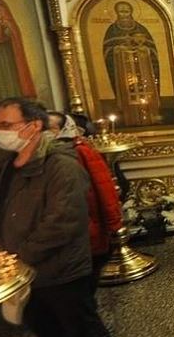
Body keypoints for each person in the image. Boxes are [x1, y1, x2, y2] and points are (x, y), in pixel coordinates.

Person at [0, 98, 124, 337]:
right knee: (43, 324)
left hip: (61, 266)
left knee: (84, 325)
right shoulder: (4, 164)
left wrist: (18, 255)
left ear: (32, 126)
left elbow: (64, 221)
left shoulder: (60, 165)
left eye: (5, 125)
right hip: (21, 270)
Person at [47, 112, 123, 274]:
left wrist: (113, 223)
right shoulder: (43, 154)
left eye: (49, 128)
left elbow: (103, 187)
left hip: (87, 223)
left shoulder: (81, 150)